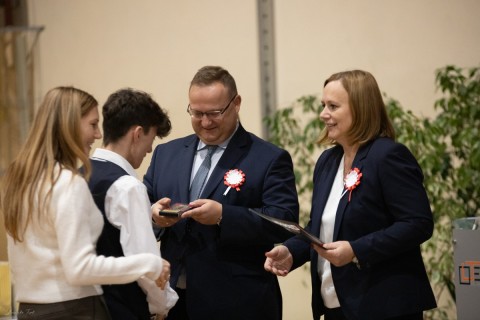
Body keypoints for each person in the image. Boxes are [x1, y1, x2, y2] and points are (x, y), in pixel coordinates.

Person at [264, 70, 437, 320]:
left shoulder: (388, 156)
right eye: (323, 105)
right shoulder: (328, 161)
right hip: (337, 305)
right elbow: (322, 227)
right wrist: (291, 251)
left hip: (385, 305)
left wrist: (356, 250)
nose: (323, 114)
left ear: (361, 108)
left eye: (333, 106)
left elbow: (418, 224)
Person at [143, 65, 299, 320]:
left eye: (214, 113)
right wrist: (154, 216)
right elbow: (145, 202)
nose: (205, 122)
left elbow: (284, 221)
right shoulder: (166, 154)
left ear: (236, 104)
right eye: (197, 113)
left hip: (236, 302)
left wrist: (224, 216)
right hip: (170, 302)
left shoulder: (268, 158)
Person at [0, 87, 170, 320]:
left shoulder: (21, 180)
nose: (98, 135)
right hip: (74, 308)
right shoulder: (68, 182)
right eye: (92, 125)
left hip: (29, 308)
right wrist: (148, 263)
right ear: (70, 125)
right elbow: (80, 268)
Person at [88, 88, 179, 320]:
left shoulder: (76, 173)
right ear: (137, 134)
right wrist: (163, 306)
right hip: (121, 308)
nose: (150, 149)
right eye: (150, 140)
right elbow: (147, 270)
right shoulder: (127, 186)